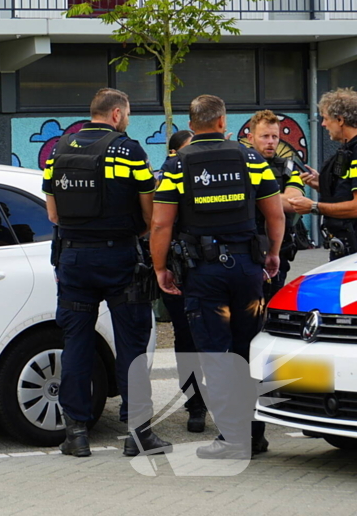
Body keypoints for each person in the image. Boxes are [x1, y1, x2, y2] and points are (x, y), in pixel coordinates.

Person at [151, 94, 284, 460]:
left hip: (203, 273)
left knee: (216, 355)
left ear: (190, 125)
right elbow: (275, 215)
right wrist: (272, 254)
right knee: (248, 350)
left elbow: (160, 224)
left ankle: (232, 440)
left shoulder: (177, 165)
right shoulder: (251, 159)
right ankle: (254, 435)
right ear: (223, 122)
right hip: (246, 270)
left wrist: (160, 268)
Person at [44, 87, 170, 459]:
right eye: (127, 114)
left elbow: (53, 214)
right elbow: (150, 213)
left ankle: (76, 434)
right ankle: (138, 434)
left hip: (73, 260)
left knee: (76, 345)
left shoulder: (58, 150)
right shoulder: (129, 151)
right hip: (119, 260)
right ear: (116, 114)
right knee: (131, 345)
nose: (127, 120)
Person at [155, 130, 209, 433]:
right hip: (180, 270)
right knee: (186, 340)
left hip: (210, 268)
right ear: (175, 153)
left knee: (214, 339)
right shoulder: (167, 177)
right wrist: (162, 267)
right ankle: (195, 403)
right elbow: (159, 224)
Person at [245, 110, 306, 300]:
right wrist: (276, 199)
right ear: (251, 138)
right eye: (264, 136)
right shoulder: (240, 165)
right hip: (245, 250)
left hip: (278, 251)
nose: (271, 142)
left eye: (275, 137)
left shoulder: (287, 167)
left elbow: (294, 202)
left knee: (272, 305)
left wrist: (254, 196)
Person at [292, 89, 357, 260]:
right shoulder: (348, 150)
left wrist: (314, 207)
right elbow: (346, 192)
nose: (322, 124)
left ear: (340, 120)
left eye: (326, 118)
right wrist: (321, 184)